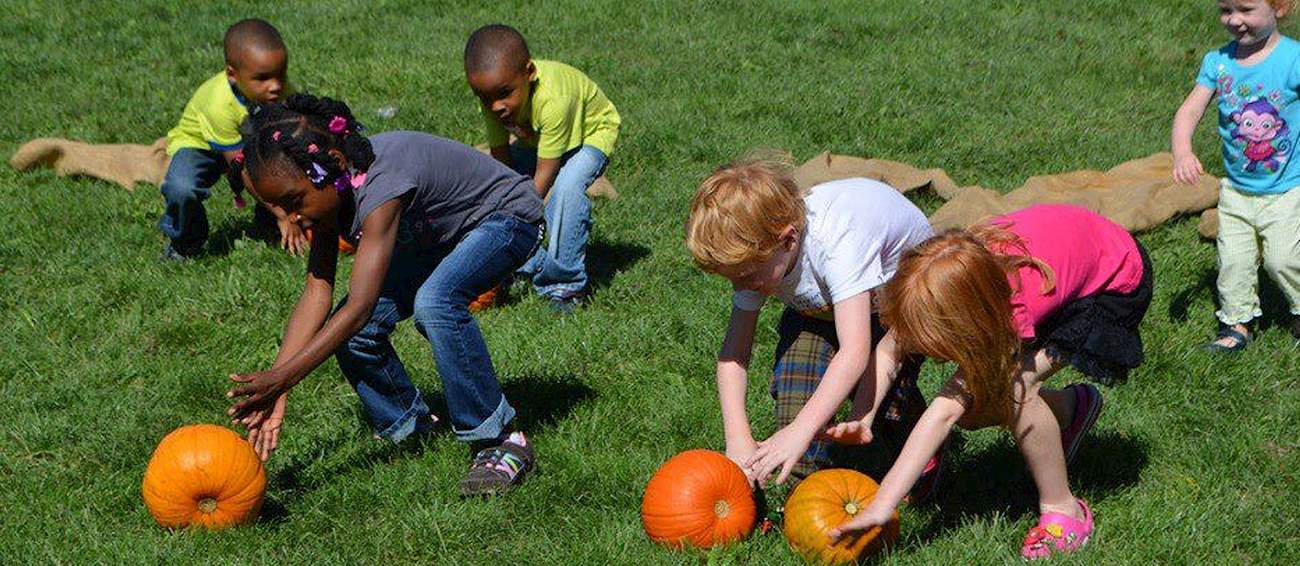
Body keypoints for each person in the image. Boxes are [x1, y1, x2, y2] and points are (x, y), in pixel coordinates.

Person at [224, 94, 545, 497]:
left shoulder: (382, 187)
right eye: (279, 209)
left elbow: (359, 308)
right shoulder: (327, 193)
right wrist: (278, 387)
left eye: (293, 202)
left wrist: (284, 377)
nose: (291, 218)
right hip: (438, 239)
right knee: (356, 335)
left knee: (435, 302)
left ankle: (501, 439)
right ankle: (414, 428)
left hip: (507, 219)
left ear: (333, 167)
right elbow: (316, 292)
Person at [828, 205, 1152, 560]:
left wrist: (882, 503)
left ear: (968, 326)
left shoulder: (1010, 310)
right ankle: (1071, 411)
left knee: (1013, 392)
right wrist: (863, 415)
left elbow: (943, 413)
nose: (920, 347)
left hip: (1114, 282)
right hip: (1066, 266)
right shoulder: (944, 279)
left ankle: (1064, 509)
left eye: (930, 339)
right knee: (978, 406)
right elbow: (891, 347)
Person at [683, 156, 938, 493]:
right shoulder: (758, 263)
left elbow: (855, 351)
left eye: (747, 277)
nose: (742, 288)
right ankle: (805, 492)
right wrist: (739, 439)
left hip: (904, 300)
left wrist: (802, 430)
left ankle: (923, 450)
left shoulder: (838, 243)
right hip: (825, 306)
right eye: (734, 280)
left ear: (788, 240)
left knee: (884, 396)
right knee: (796, 388)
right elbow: (733, 356)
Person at [465, 24, 621, 313]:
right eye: (484, 98)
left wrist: (516, 214)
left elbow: (547, 171)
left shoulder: (554, 101)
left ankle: (564, 285)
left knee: (567, 188)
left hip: (591, 135)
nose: (495, 106)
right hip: (541, 139)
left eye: (504, 94)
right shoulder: (493, 102)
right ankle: (524, 261)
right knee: (492, 189)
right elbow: (500, 158)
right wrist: (502, 199)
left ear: (530, 73)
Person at [1172, 0, 1300, 351]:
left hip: (1286, 189)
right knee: (1233, 261)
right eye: (1225, 10)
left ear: (1280, 7)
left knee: (1283, 259)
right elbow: (1190, 109)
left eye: (1245, 9)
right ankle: (1236, 324)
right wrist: (1183, 150)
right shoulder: (1219, 62)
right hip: (1236, 190)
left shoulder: (1293, 60)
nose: (1234, 20)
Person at [159, 18, 304, 260]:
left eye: (281, 74)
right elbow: (242, 169)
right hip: (200, 147)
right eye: (263, 78)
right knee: (181, 188)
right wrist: (283, 214)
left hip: (247, 141)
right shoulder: (218, 103)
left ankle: (266, 221)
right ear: (232, 74)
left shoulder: (280, 91)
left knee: (286, 162)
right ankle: (185, 243)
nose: (276, 86)